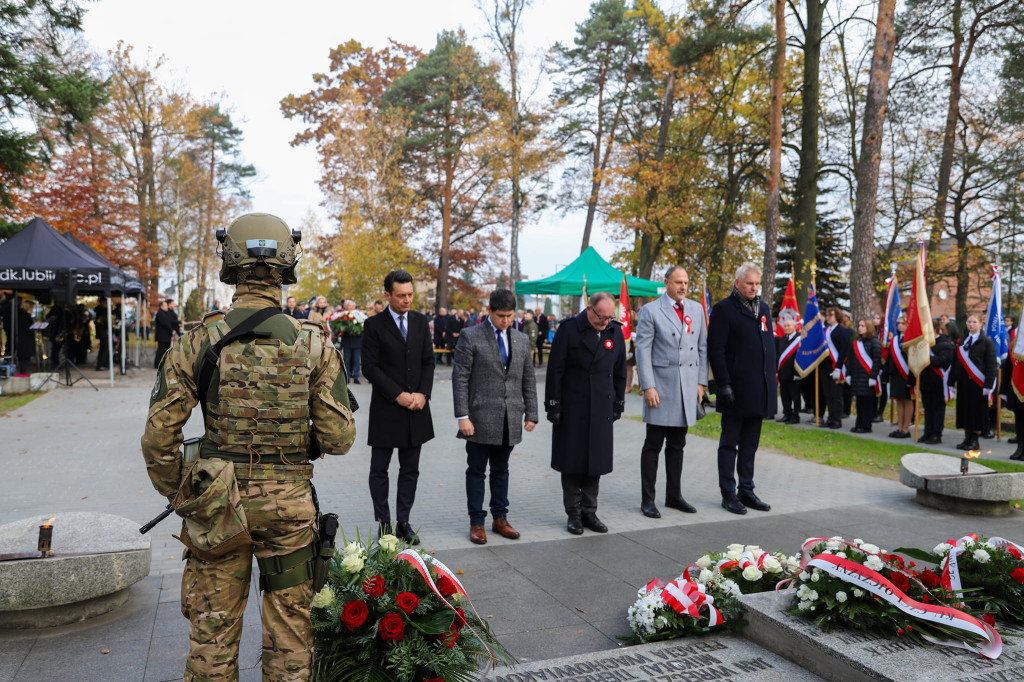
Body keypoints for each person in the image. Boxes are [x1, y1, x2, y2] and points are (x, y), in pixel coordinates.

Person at [140, 212, 356, 681]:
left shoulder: (196, 341)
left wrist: (184, 493)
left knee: (212, 638)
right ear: (287, 262)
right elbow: (339, 439)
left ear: (230, 262)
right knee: (292, 638)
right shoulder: (314, 344)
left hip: (218, 509)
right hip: (289, 510)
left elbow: (159, 437)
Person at [452, 289, 538, 544]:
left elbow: (528, 378)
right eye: (501, 315)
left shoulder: (521, 339)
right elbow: (460, 378)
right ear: (490, 311)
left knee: (502, 470)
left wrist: (531, 412)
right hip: (478, 418)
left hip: (509, 419)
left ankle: (500, 518)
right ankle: (476, 521)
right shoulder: (471, 336)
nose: (506, 320)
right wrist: (462, 416)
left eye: (510, 316)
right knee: (477, 471)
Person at [361, 270, 435, 545]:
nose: (407, 300)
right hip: (386, 409)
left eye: (410, 295)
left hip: (416, 410)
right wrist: (397, 395)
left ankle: (403, 521)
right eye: (401, 295)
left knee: (410, 469)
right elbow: (369, 367)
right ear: (388, 295)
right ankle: (384, 524)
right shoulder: (374, 325)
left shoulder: (419, 321)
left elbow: (429, 361)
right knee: (379, 469)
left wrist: (423, 394)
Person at [545, 291, 626, 535]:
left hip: (601, 408)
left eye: (610, 317)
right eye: (602, 317)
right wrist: (553, 405)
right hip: (573, 408)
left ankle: (590, 512)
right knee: (572, 463)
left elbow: (620, 370)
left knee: (595, 463)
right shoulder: (569, 330)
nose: (606, 322)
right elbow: (555, 371)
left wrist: (618, 402)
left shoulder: (614, 331)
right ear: (589, 309)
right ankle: (573, 514)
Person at [634, 266, 707, 519]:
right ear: (666, 283)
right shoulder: (651, 311)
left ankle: (674, 495)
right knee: (653, 444)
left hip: (687, 388)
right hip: (661, 388)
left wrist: (701, 383)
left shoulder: (696, 310)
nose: (683, 287)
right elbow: (642, 350)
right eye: (678, 282)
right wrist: (648, 385)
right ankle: (648, 500)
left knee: (678, 445)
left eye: (686, 282)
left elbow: (702, 348)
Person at [707, 262, 776, 515]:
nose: (754, 288)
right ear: (737, 283)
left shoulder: (764, 309)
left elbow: (767, 344)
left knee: (751, 444)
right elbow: (717, 349)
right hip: (734, 389)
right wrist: (723, 384)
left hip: (759, 389)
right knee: (729, 443)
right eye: (750, 283)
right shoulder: (724, 309)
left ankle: (746, 490)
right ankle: (728, 493)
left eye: (757, 284)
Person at [952, 314, 998, 451]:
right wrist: (951, 381)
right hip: (964, 383)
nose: (971, 324)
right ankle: (967, 438)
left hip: (978, 384)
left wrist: (988, 385)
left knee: (976, 413)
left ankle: (975, 440)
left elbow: (991, 365)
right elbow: (957, 363)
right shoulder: (963, 341)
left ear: (981, 324)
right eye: (969, 322)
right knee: (965, 411)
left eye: (974, 322)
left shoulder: (987, 342)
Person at [919, 320, 954, 444]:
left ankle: (936, 434)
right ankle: (927, 432)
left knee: (937, 409)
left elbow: (941, 361)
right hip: (925, 381)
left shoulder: (945, 344)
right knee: (927, 408)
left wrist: (925, 357)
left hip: (938, 383)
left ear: (935, 331)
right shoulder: (924, 344)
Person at [844, 319, 882, 433]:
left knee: (867, 404)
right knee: (859, 403)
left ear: (869, 328)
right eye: (859, 325)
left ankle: (866, 426)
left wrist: (873, 377)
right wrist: (848, 374)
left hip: (867, 377)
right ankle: (859, 424)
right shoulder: (857, 342)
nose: (860, 328)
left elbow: (876, 362)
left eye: (863, 326)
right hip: (857, 377)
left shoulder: (874, 342)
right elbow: (850, 360)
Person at [821, 308, 852, 429]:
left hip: (836, 367)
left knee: (836, 395)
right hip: (825, 367)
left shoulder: (842, 331)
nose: (828, 317)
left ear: (837, 316)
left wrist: (838, 368)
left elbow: (843, 351)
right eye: (827, 315)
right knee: (828, 395)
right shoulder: (825, 331)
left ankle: (837, 420)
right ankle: (830, 418)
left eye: (831, 315)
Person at [886, 316, 915, 439]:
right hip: (896, 375)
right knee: (899, 400)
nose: (900, 326)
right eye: (899, 323)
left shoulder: (912, 339)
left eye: (903, 323)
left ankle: (906, 428)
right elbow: (890, 358)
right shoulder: (894, 340)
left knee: (907, 401)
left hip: (908, 374)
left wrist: (912, 378)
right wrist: (886, 374)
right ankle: (899, 427)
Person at [776, 318, 802, 424]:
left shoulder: (799, 339)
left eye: (789, 326)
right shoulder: (781, 340)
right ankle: (787, 414)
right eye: (785, 326)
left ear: (795, 327)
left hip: (794, 374)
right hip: (783, 373)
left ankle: (795, 416)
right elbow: (778, 356)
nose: (786, 328)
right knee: (785, 396)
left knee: (795, 396)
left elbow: (800, 358)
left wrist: (798, 373)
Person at [339, 299, 363, 384]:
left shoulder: (360, 314)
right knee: (347, 360)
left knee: (356, 360)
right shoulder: (343, 315)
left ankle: (356, 377)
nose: (351, 307)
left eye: (353, 306)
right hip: (347, 341)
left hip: (357, 341)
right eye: (349, 306)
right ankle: (347, 376)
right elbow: (339, 326)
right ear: (346, 306)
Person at [872, 311, 888, 423]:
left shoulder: (885, 334)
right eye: (874, 318)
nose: (875, 320)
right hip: (872, 364)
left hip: (883, 364)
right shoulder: (872, 333)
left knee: (883, 388)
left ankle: (880, 412)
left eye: (877, 318)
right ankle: (872, 411)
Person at [153, 299, 176, 368]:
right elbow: (165, 324)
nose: (167, 307)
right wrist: (171, 330)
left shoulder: (165, 313)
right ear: (161, 306)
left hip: (166, 335)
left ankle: (162, 363)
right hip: (162, 336)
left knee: (165, 349)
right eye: (165, 306)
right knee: (161, 350)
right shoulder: (160, 314)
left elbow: (171, 321)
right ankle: (157, 364)